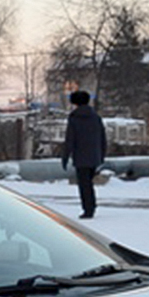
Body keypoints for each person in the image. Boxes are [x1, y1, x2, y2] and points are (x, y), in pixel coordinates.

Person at [61, 89, 108, 219]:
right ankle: (91, 205)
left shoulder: (74, 118)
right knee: (89, 183)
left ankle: (88, 208)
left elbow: (70, 139)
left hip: (80, 156)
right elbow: (102, 137)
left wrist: (65, 157)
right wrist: (102, 155)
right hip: (95, 155)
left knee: (84, 184)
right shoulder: (96, 117)